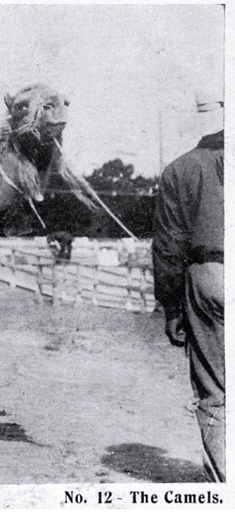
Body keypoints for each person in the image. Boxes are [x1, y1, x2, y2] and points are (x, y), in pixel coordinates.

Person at [152, 87, 224, 482]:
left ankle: (223, 486)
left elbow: (168, 248)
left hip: (209, 275)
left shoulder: (180, 170)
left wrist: (172, 308)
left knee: (216, 391)